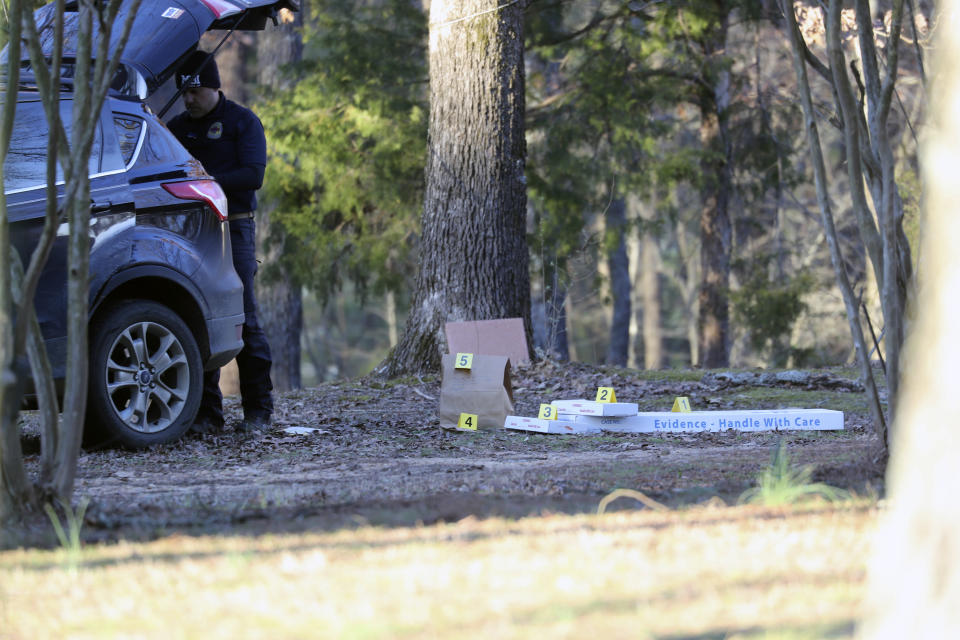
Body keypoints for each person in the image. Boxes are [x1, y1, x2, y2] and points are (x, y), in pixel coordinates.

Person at [167, 49, 274, 433]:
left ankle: (258, 412)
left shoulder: (242, 122)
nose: (188, 99)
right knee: (195, 316)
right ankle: (206, 416)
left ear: (214, 86)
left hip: (234, 227)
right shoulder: (177, 128)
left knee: (243, 317)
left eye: (195, 91)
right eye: (184, 93)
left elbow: (252, 175)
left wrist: (202, 182)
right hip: (187, 230)